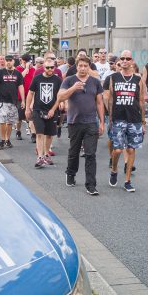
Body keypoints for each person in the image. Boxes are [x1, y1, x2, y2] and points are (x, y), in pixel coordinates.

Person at [50, 55, 105, 195]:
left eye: (85, 66)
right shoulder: (69, 80)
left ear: (89, 67)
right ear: (76, 66)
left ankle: (91, 185)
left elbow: (99, 102)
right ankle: (71, 173)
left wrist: (102, 122)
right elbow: (60, 97)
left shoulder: (95, 82)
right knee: (74, 152)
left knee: (90, 154)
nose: (82, 68)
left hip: (91, 122)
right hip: (75, 122)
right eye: (80, 66)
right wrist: (73, 88)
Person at [107, 50, 145, 192]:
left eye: (127, 58)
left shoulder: (138, 79)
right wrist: (110, 117)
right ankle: (114, 170)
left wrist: (143, 121)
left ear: (132, 61)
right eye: (122, 58)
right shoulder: (114, 77)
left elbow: (141, 100)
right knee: (117, 150)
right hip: (118, 117)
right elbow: (111, 98)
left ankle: (127, 180)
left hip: (134, 118)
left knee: (130, 149)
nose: (124, 60)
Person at [27, 57, 62, 168]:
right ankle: (40, 157)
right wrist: (28, 108)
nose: (50, 69)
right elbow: (30, 93)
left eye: (52, 67)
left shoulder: (57, 80)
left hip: (52, 110)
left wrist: (54, 109)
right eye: (47, 67)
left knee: (49, 135)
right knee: (40, 133)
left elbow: (60, 96)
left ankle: (47, 154)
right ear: (43, 68)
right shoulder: (37, 78)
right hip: (38, 110)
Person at [0, 55, 24, 150]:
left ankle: (7, 139)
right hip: (2, 100)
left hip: (13, 100)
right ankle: (3, 140)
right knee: (3, 120)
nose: (8, 62)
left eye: (10, 60)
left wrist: (23, 100)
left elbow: (21, 87)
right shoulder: (0, 72)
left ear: (13, 62)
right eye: (7, 60)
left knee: (10, 122)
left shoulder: (18, 74)